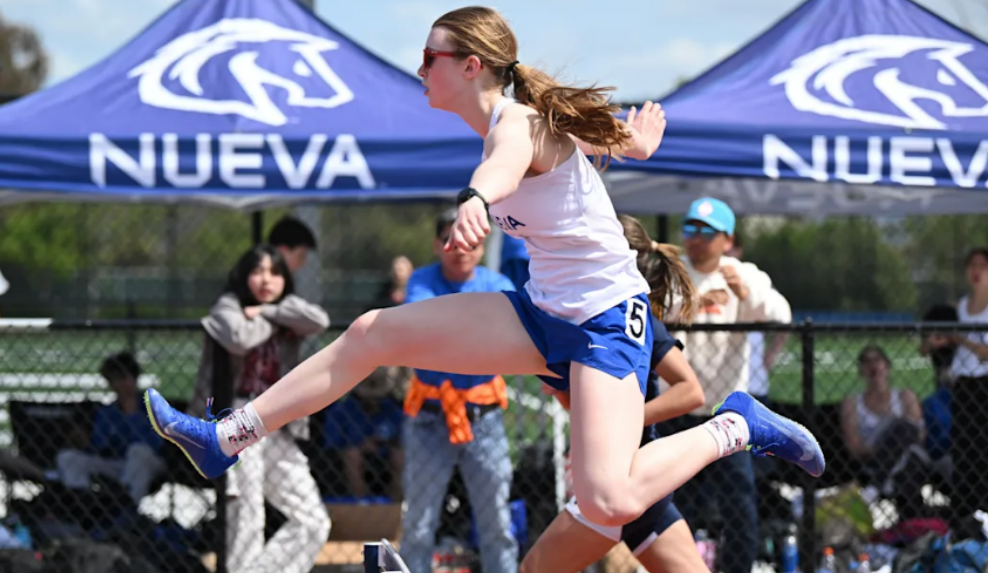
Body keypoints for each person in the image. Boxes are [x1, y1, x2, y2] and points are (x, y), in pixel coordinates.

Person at [146, 6, 824, 532]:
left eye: (429, 58)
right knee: (372, 332)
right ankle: (226, 436)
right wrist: (632, 142)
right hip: (541, 314)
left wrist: (476, 198)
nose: (419, 68)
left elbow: (505, 163)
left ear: (470, 66)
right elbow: (580, 136)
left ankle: (737, 424)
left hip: (605, 320)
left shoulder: (514, 124)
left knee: (608, 498)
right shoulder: (527, 120)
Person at [521, 215, 709, 573]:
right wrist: (561, 389)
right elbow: (585, 412)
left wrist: (625, 420)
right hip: (625, 481)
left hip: (625, 476)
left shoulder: (632, 317)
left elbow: (691, 391)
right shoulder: (586, 316)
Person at [188, 244, 331, 573]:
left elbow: (318, 320)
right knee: (247, 514)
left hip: (278, 417)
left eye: (275, 272)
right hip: (236, 415)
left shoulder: (284, 308)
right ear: (243, 276)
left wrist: (267, 311)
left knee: (313, 520)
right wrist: (272, 318)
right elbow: (240, 339)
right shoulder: (228, 305)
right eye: (258, 272)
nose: (267, 280)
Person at [400, 208, 519, 573]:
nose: (461, 249)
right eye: (451, 240)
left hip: (484, 419)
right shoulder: (421, 280)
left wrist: (449, 330)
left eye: (471, 242)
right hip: (430, 418)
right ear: (438, 245)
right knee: (419, 523)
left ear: (481, 247)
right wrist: (478, 329)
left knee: (496, 522)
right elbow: (420, 326)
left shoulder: (497, 283)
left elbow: (510, 332)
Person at [57, 351, 164, 504]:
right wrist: (84, 443)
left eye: (124, 378)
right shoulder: (107, 413)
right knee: (67, 458)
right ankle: (81, 503)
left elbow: (155, 445)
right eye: (115, 380)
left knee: (138, 452)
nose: (121, 385)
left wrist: (132, 416)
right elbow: (100, 447)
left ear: (134, 378)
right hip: (117, 465)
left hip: (148, 464)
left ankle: (127, 508)